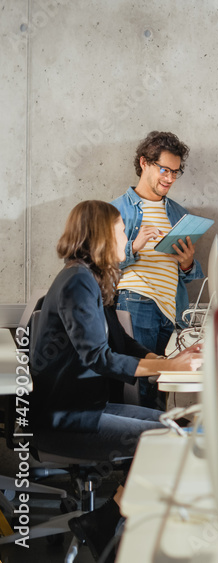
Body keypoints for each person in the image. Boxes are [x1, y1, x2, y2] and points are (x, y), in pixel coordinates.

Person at [30, 200, 201, 559]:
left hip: (87, 406)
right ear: (102, 236)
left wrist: (166, 359)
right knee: (170, 438)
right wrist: (170, 369)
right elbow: (98, 357)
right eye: (122, 229)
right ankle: (113, 521)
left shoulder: (90, 278)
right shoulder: (77, 281)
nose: (128, 236)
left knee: (179, 427)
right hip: (68, 418)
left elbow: (121, 343)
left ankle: (109, 518)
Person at [111, 131, 204, 409]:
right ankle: (135, 446)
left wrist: (187, 263)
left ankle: (157, 440)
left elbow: (185, 272)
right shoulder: (115, 211)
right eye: (164, 170)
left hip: (172, 309)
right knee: (139, 389)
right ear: (144, 163)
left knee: (165, 383)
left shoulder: (178, 212)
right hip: (136, 302)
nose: (169, 179)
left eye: (175, 173)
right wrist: (133, 248)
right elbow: (99, 267)